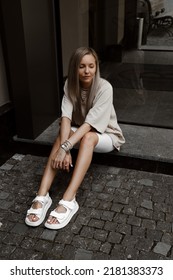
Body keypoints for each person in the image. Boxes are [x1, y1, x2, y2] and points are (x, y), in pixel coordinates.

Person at [25, 47, 125, 230]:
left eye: (91, 66)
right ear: (75, 68)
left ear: (96, 67)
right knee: (61, 135)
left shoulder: (104, 87)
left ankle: (69, 199)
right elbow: (66, 118)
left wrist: (66, 148)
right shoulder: (69, 85)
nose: (87, 71)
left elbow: (89, 125)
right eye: (82, 66)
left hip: (107, 135)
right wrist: (65, 147)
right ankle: (42, 195)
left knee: (86, 138)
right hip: (80, 130)